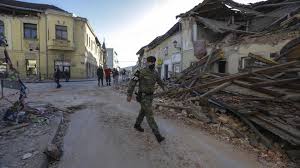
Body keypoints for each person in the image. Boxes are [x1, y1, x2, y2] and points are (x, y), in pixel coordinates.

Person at [127, 56, 165, 143]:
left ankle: (137, 124)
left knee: (143, 111)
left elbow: (160, 81)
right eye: (150, 62)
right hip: (143, 96)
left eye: (153, 62)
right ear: (147, 62)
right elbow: (132, 83)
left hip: (150, 97)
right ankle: (157, 134)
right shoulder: (140, 71)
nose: (152, 63)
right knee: (149, 114)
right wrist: (129, 94)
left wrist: (164, 87)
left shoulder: (155, 73)